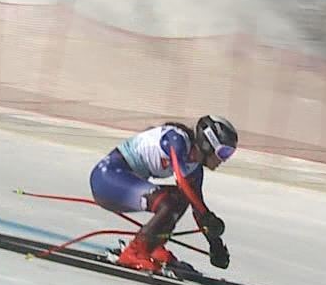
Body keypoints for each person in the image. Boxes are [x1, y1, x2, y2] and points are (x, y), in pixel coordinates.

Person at [89, 114, 238, 273]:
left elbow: (196, 206)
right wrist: (208, 216)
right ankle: (134, 252)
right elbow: (181, 181)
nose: (224, 160)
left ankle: (152, 247)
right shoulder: (177, 139)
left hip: (119, 181)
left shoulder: (195, 169)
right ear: (208, 143)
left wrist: (215, 243)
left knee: (181, 198)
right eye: (224, 153)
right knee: (169, 202)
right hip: (106, 179)